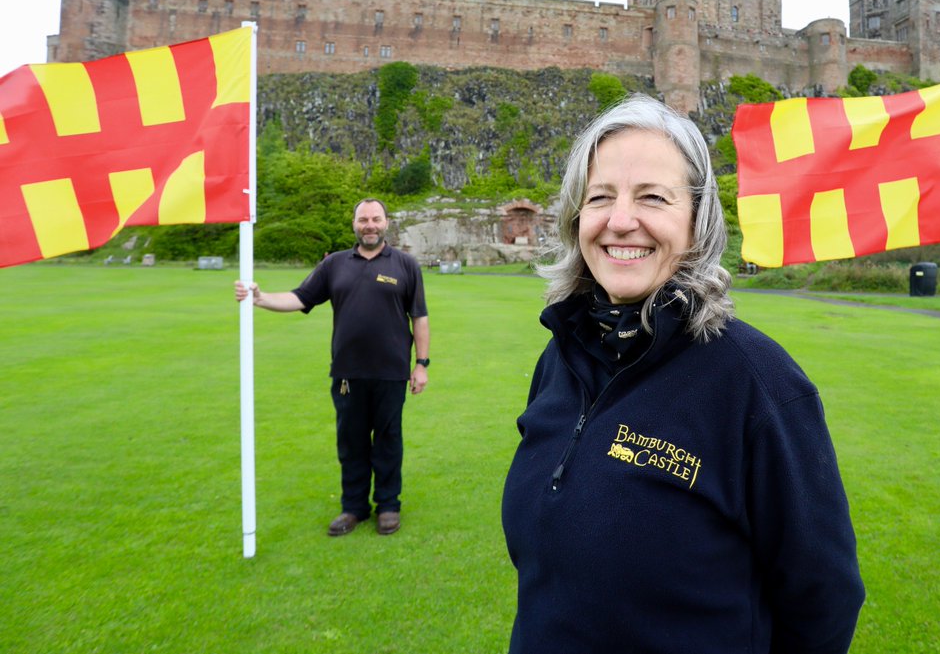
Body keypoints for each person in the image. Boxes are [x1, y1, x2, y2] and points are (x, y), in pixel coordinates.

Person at [501, 95, 864, 653]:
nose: (621, 221)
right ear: (576, 219)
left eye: (653, 197)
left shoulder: (758, 384)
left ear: (697, 221)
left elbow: (824, 600)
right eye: (600, 197)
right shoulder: (560, 357)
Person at [235, 198, 430, 537]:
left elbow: (420, 317)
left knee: (388, 441)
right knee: (351, 443)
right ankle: (353, 507)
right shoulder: (335, 264)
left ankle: (388, 506)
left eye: (376, 219)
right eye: (363, 219)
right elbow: (300, 297)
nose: (369, 225)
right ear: (354, 224)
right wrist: (260, 298)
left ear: (386, 222)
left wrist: (421, 365)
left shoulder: (405, 265)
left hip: (391, 372)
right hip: (347, 374)